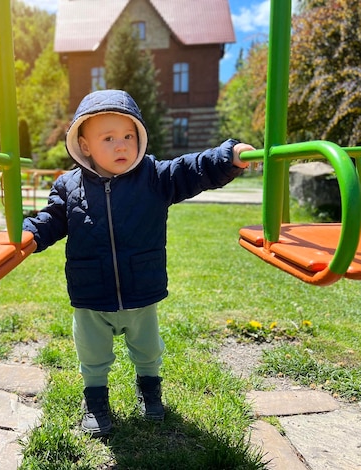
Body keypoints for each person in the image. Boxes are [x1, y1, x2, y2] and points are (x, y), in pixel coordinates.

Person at [22, 89, 254, 437]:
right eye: (109, 138)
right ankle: (96, 399)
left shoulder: (154, 177)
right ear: (84, 145)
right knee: (93, 355)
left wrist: (227, 157)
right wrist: (28, 237)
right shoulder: (69, 186)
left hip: (141, 289)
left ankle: (150, 390)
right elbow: (51, 220)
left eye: (129, 136)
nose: (121, 146)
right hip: (92, 293)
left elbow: (190, 170)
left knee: (147, 351)